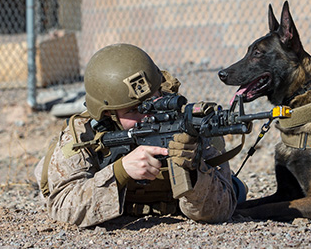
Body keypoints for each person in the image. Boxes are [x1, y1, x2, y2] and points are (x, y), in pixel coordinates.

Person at [34, 43, 244, 227]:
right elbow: (63, 208)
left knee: (238, 189)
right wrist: (120, 171)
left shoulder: (188, 127)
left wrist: (193, 171)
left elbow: (221, 210)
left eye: (153, 102)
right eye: (133, 110)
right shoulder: (84, 133)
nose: (147, 116)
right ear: (109, 113)